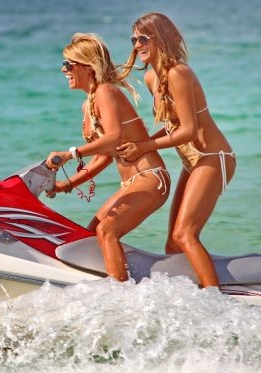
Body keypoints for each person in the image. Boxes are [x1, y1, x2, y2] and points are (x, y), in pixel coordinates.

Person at [115, 13, 235, 288]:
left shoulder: (179, 73)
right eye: (134, 39)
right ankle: (191, 290)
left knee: (185, 234)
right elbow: (173, 126)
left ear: (162, 39)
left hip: (213, 159)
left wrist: (143, 145)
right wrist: (134, 144)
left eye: (143, 38)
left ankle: (212, 297)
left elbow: (189, 131)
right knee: (172, 243)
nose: (136, 45)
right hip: (192, 163)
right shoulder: (151, 78)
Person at [45, 33, 170, 282]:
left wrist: (70, 154)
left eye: (69, 64)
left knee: (107, 230)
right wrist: (65, 185)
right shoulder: (88, 104)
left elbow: (113, 137)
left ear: (88, 67)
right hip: (130, 184)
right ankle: (106, 279)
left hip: (150, 178)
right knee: (90, 235)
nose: (63, 70)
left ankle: (120, 293)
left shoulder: (106, 92)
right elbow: (103, 157)